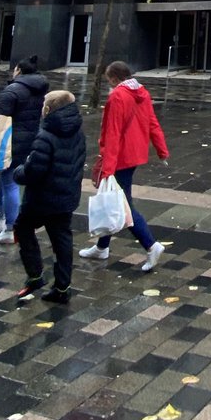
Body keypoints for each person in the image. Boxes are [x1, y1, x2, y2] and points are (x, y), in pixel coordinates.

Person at [79, 61, 169, 272]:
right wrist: (161, 150)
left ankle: (151, 245)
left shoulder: (118, 96)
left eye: (109, 79)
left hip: (119, 158)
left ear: (114, 78)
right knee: (114, 201)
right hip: (134, 155)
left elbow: (113, 133)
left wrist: (108, 166)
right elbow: (152, 123)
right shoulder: (142, 93)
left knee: (122, 204)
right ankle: (102, 247)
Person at [13, 90, 86, 305]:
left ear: (48, 109)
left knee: (23, 227)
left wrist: (19, 172)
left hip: (42, 199)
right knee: (62, 239)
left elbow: (33, 171)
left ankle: (35, 275)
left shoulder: (46, 136)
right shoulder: (78, 130)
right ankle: (62, 287)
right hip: (66, 195)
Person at [0, 56, 49, 244]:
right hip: (31, 140)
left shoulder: (12, 90)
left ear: (19, 70)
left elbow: (2, 118)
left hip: (10, 142)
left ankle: (10, 229)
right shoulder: (41, 89)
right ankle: (2, 218)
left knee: (9, 182)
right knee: (6, 180)